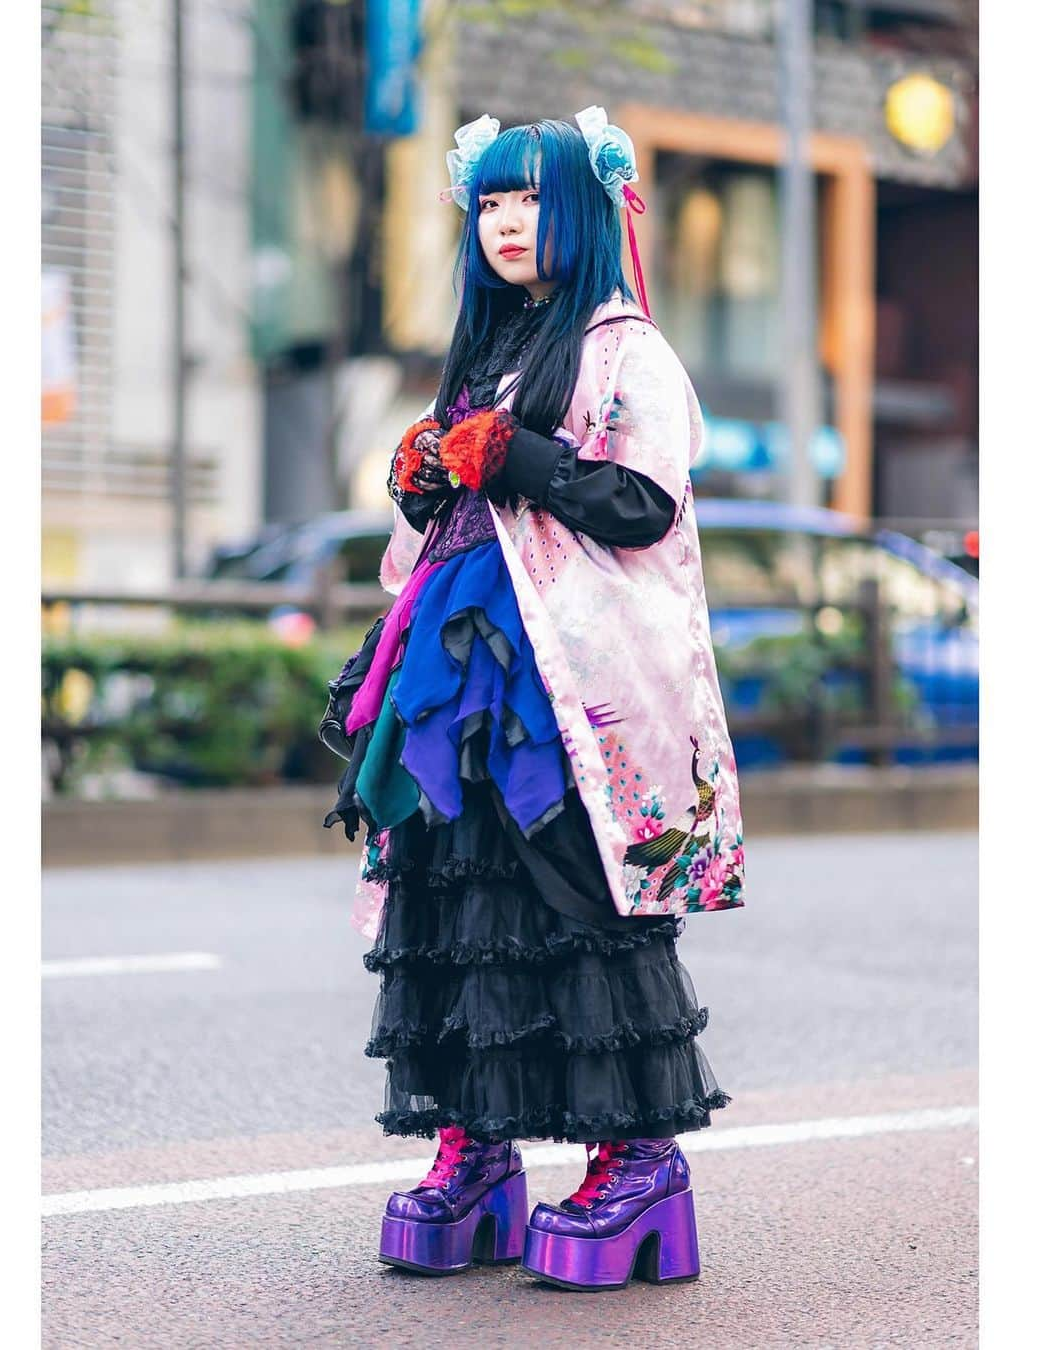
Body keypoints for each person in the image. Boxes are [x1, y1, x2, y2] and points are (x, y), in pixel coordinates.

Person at [320, 107, 745, 1293]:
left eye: (530, 200)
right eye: (490, 204)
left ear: (588, 211)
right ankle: (477, 1150)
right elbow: (450, 519)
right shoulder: (481, 354)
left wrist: (517, 457)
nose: (508, 223)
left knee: (574, 885)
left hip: (565, 677)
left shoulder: (629, 353)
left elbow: (646, 508)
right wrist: (421, 475)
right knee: (454, 887)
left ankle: (639, 1159)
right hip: (456, 664)